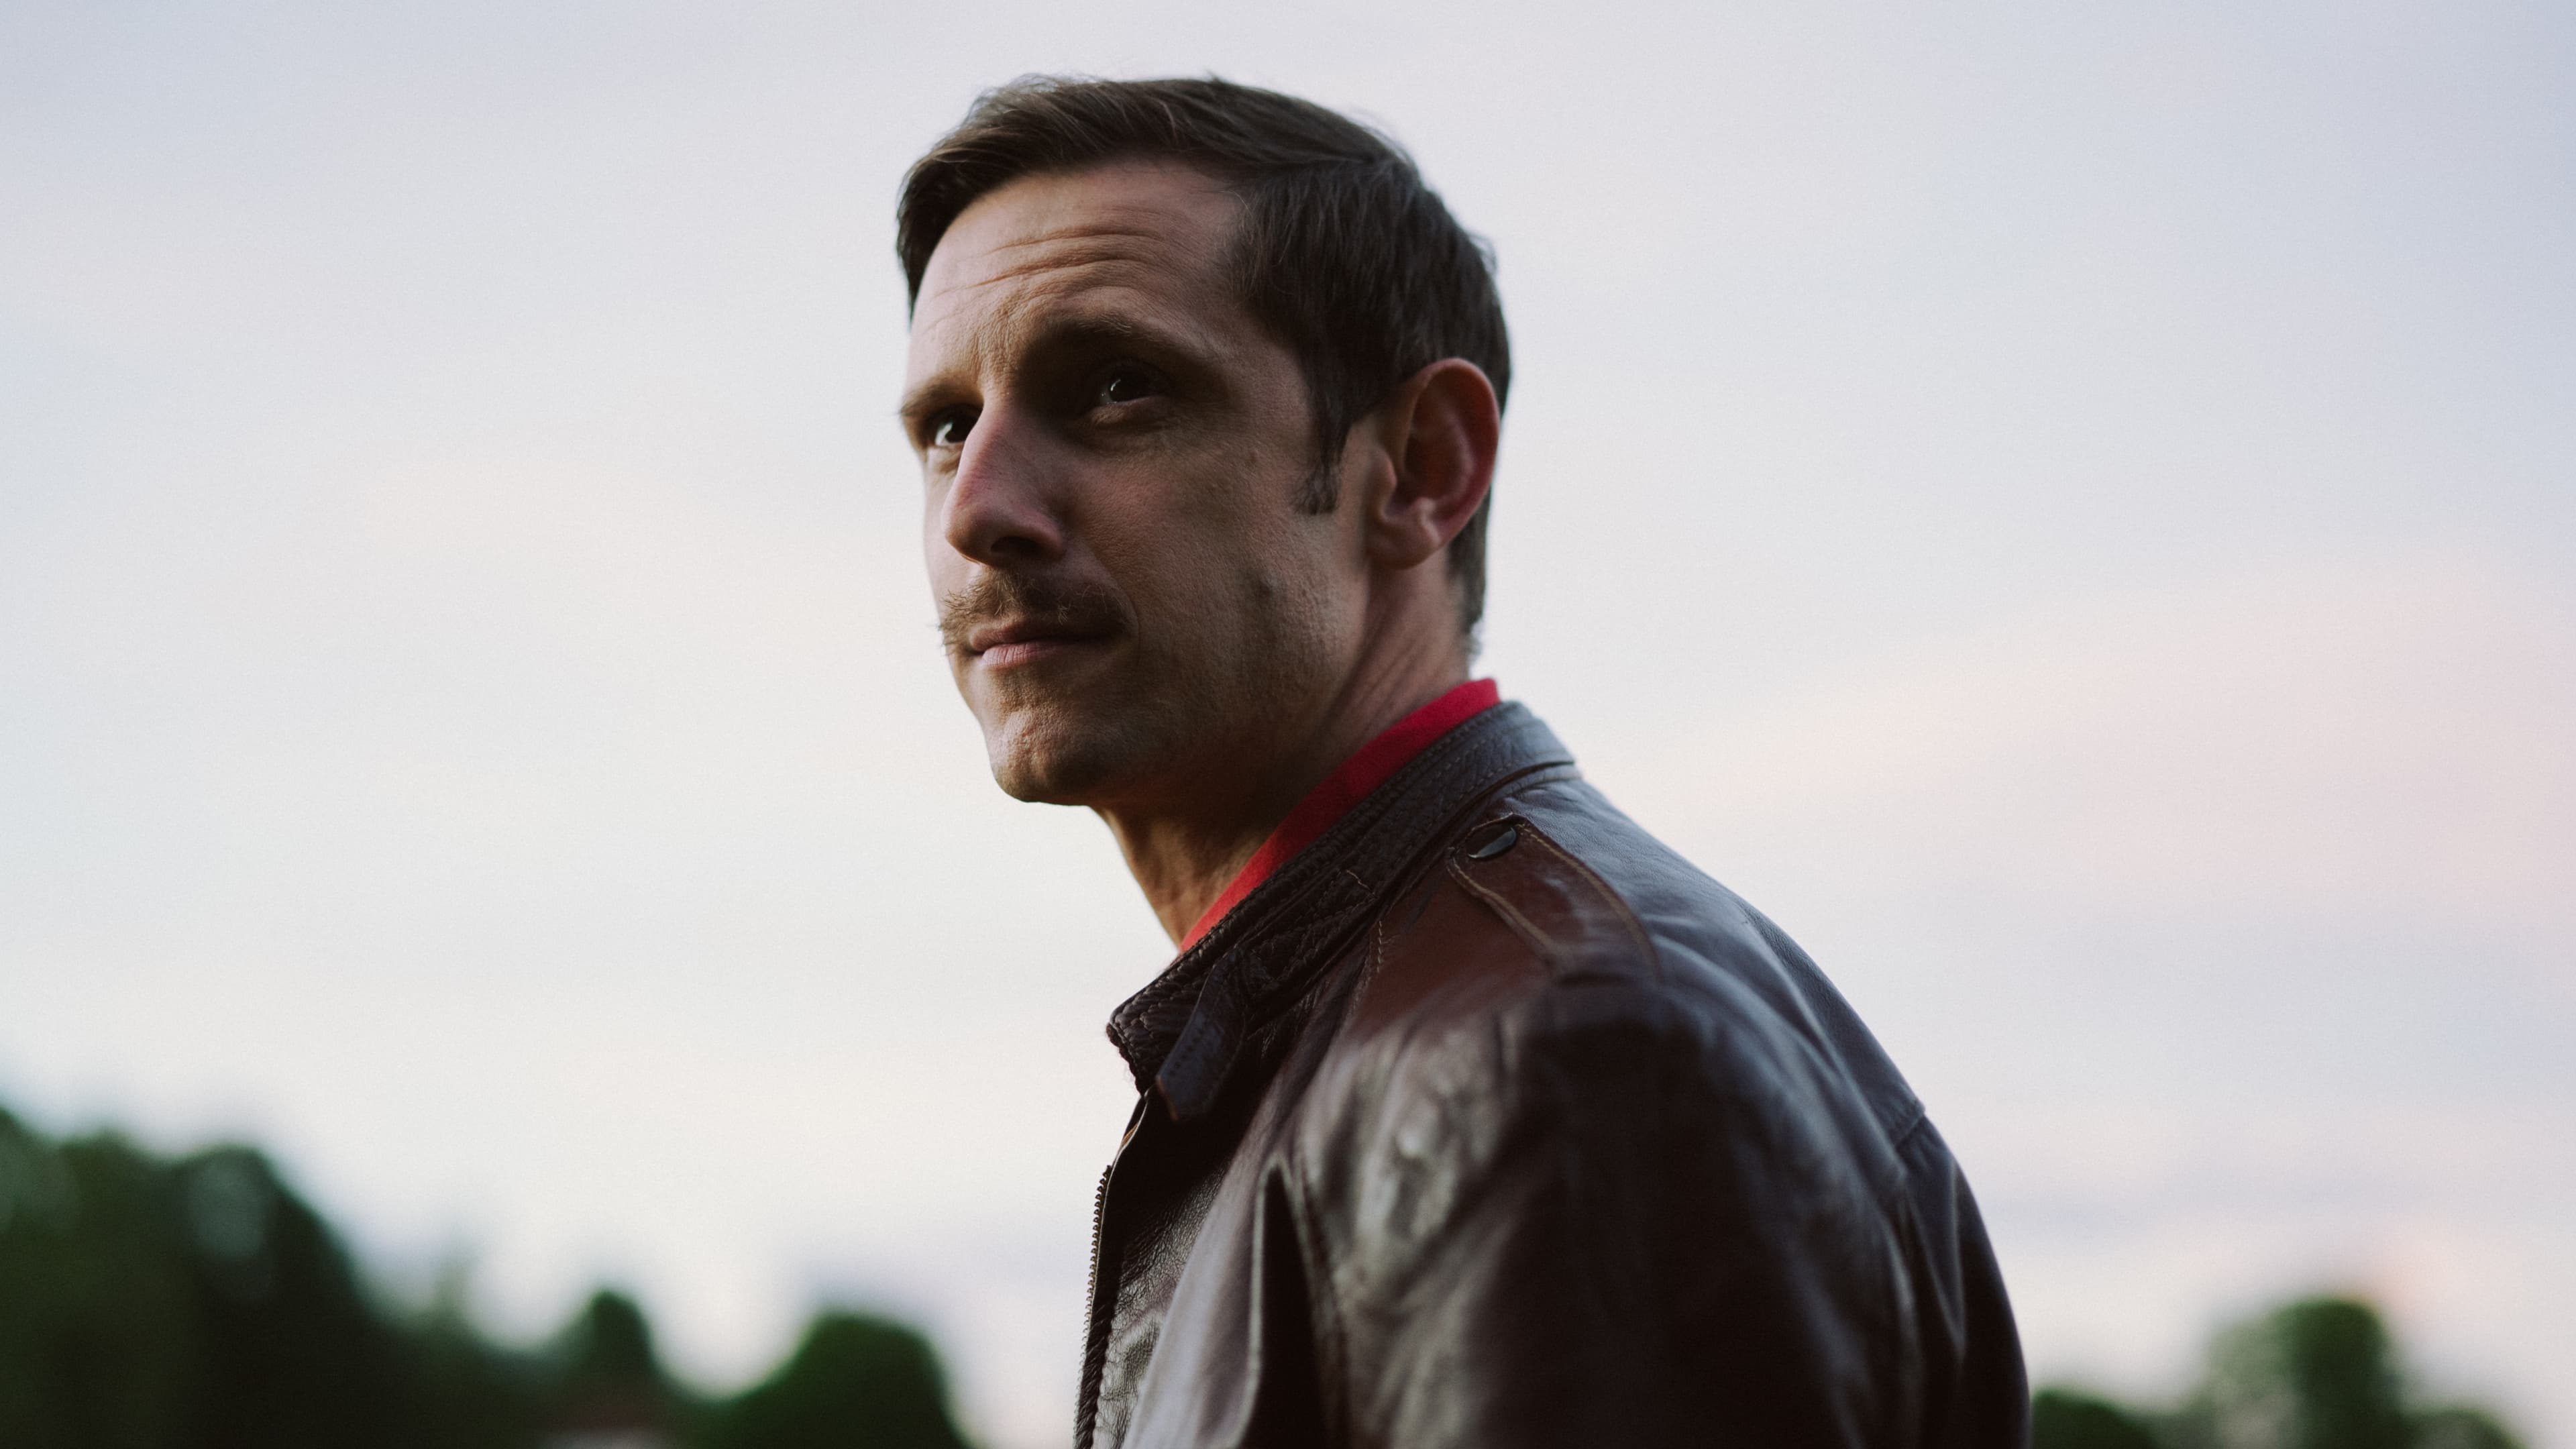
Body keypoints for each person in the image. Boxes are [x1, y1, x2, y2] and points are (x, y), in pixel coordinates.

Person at [896, 76, 2027, 1449]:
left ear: (1422, 466)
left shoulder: (1552, 1063)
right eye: (946, 426)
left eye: (1119, 388)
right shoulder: (1431, 1023)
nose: (978, 510)